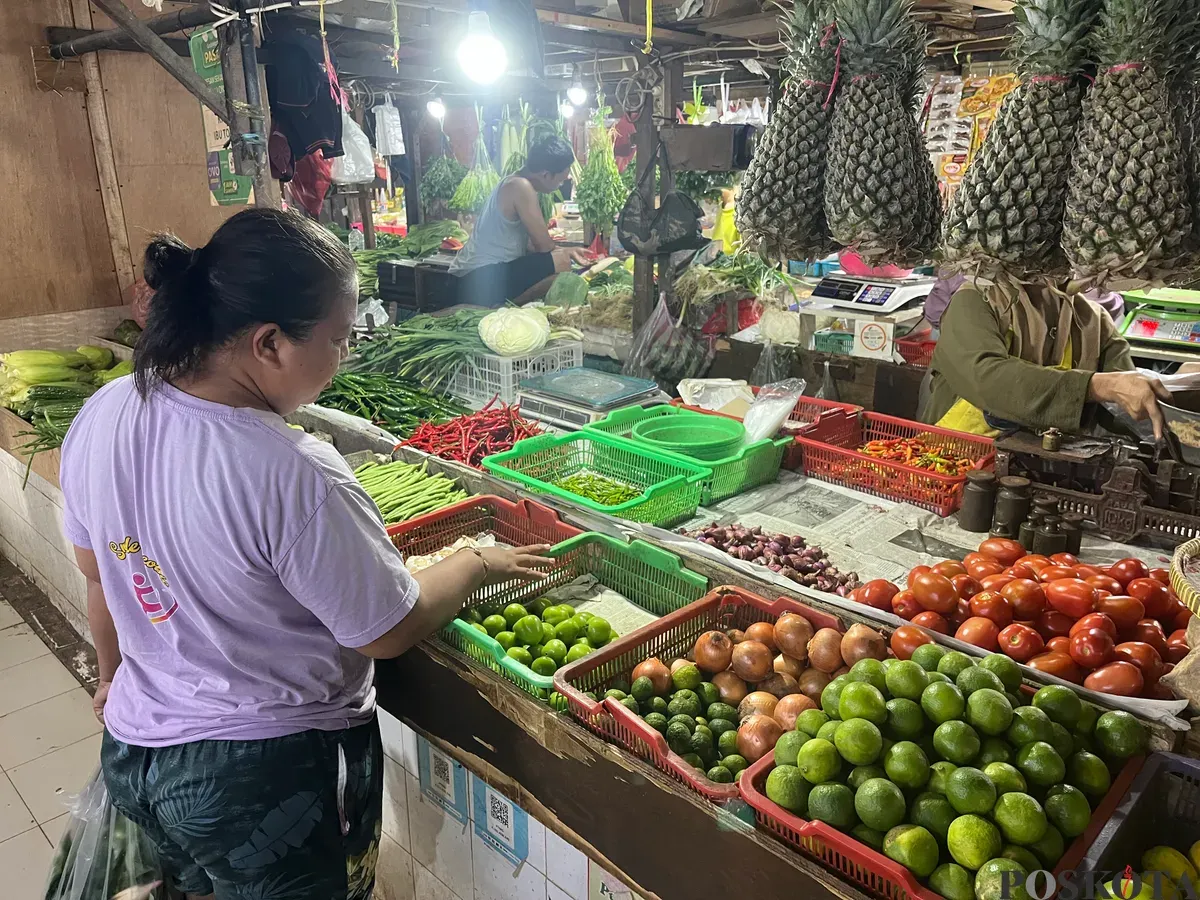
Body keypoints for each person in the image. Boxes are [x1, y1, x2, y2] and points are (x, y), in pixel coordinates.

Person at [59, 208, 553, 900]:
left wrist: (112, 682)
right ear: (269, 343)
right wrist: (475, 564)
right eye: (339, 339)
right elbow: (386, 629)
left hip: (140, 753)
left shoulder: (108, 409)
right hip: (261, 783)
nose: (344, 357)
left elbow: (100, 577)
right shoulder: (292, 469)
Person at [925, 278, 1169, 438]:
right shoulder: (977, 300)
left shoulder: (1094, 320)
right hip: (955, 464)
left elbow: (1127, 405)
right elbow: (986, 378)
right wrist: (1097, 385)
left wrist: (1179, 387)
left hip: (1041, 473)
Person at [450, 134, 591, 306]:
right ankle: (501, 306)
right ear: (546, 175)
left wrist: (568, 250)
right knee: (561, 262)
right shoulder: (520, 187)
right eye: (561, 181)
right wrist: (565, 253)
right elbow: (544, 247)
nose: (560, 186)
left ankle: (505, 303)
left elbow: (530, 245)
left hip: (478, 275)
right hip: (477, 279)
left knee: (559, 258)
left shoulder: (512, 181)